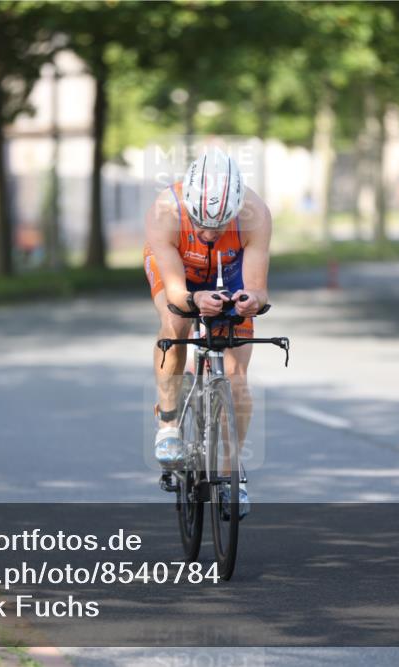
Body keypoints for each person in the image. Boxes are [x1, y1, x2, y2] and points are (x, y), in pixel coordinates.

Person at [142, 148, 273, 519]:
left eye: (219, 224)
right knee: (176, 324)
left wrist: (251, 301)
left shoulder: (256, 214)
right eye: (201, 222)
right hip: (179, 263)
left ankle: (234, 477)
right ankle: (168, 423)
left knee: (236, 375)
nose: (209, 232)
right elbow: (176, 294)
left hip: (229, 266)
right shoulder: (165, 212)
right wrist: (194, 298)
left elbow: (259, 290)